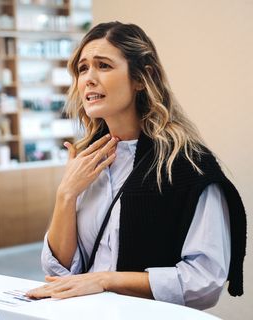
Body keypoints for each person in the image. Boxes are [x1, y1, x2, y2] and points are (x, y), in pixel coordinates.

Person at [25, 21, 246, 310]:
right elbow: (58, 273)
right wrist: (66, 194)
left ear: (142, 77)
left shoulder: (188, 166)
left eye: (103, 66)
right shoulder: (86, 162)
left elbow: (204, 282)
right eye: (82, 68)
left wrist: (107, 280)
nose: (88, 79)